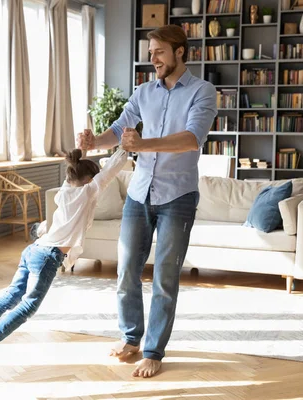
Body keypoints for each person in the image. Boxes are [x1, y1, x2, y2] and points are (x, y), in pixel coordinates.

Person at [77, 24, 217, 378]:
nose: (151, 58)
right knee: (126, 271)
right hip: (139, 195)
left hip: (178, 197)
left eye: (158, 52)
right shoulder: (143, 91)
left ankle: (153, 351)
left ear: (180, 52)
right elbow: (120, 128)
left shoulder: (203, 91)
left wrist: (142, 144)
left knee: (165, 279)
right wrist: (95, 142)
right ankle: (130, 338)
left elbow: (191, 138)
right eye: (150, 52)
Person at [0, 148, 129, 370]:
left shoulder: (65, 191)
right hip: (48, 257)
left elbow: (78, 172)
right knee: (29, 306)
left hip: (34, 250)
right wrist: (126, 148)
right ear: (89, 180)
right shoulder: (87, 192)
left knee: (11, 296)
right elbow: (109, 172)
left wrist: (84, 154)